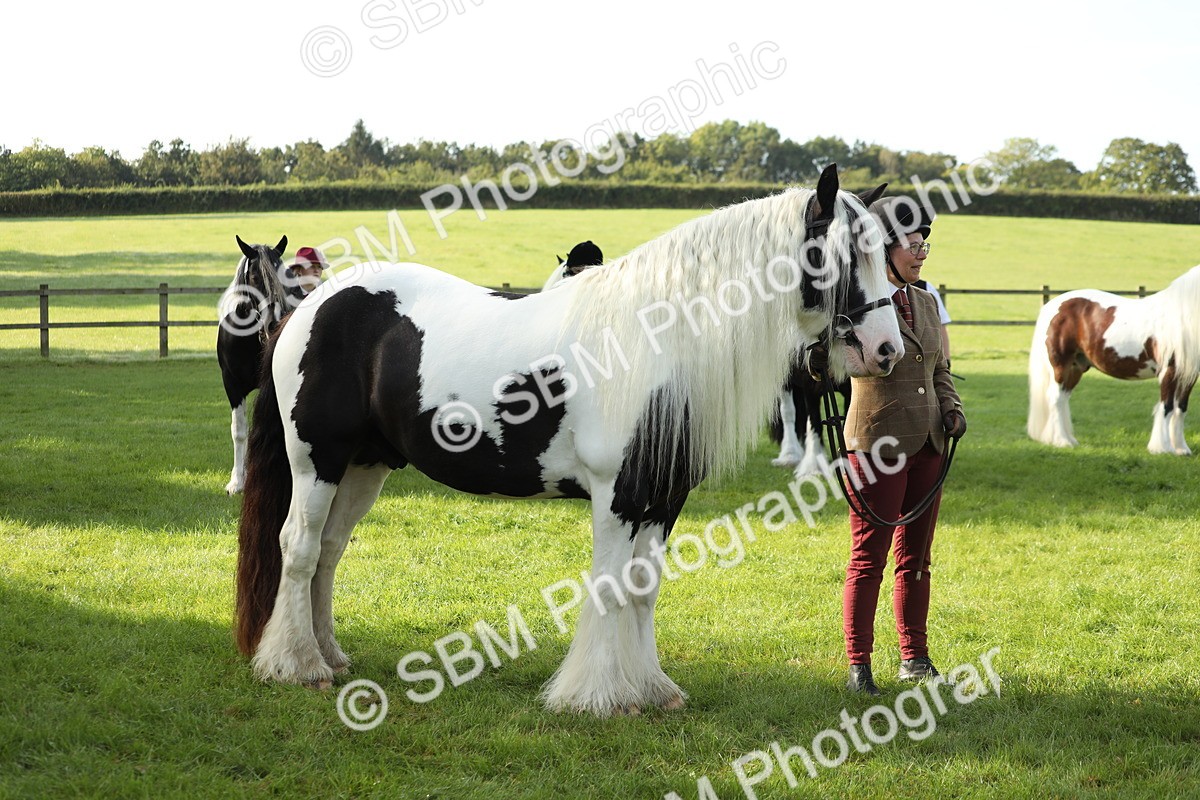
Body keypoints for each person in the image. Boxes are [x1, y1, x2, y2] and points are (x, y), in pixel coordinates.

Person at [841, 195, 966, 695]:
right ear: (884, 250)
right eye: (912, 246)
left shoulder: (928, 301)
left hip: (930, 442)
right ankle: (859, 664)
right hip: (877, 445)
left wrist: (951, 407)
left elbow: (940, 368)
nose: (920, 255)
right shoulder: (859, 305)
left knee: (916, 559)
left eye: (924, 247)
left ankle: (915, 657)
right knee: (869, 558)